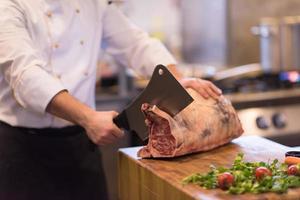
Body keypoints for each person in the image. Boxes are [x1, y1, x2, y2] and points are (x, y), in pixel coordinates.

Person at [0, 0, 222, 199]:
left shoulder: (92, 4)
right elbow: (26, 76)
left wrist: (176, 81)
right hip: (22, 151)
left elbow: (136, 44)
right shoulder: (9, 5)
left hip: (80, 146)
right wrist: (87, 117)